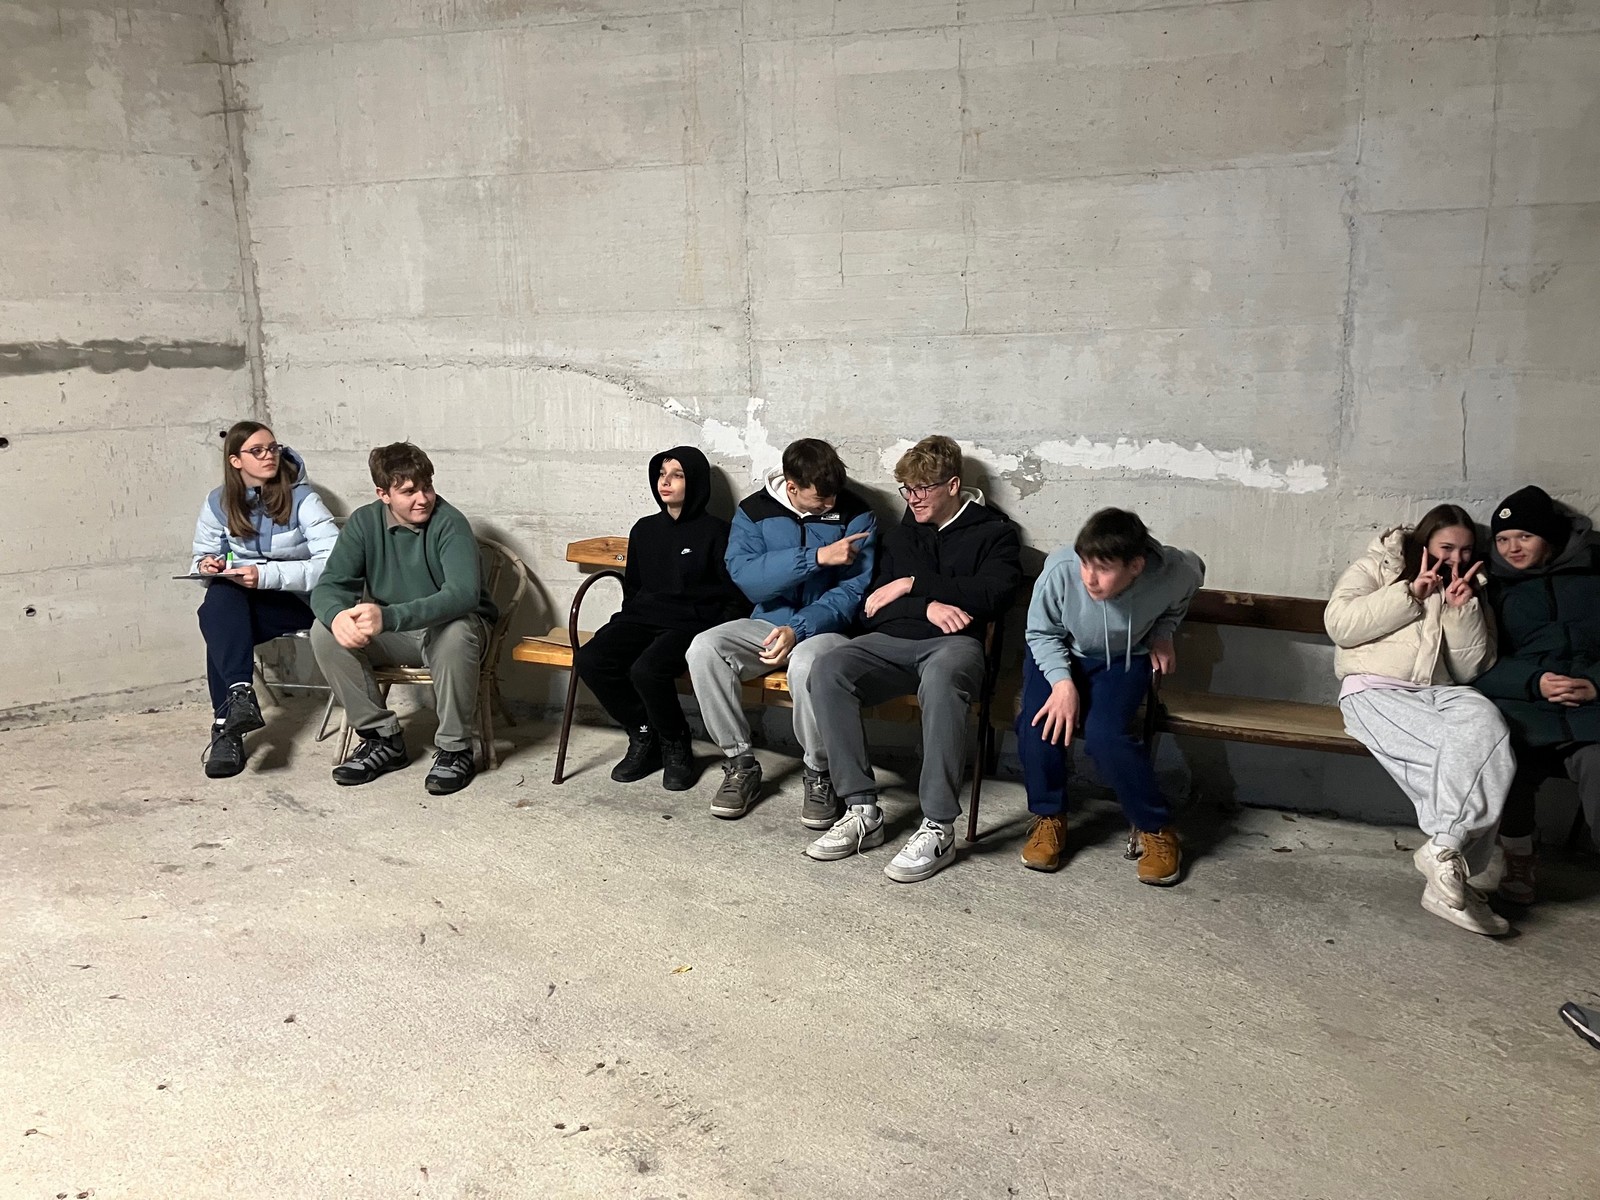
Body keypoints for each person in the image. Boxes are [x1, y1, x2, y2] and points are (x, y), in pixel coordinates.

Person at [804, 435, 1021, 882]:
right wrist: (925, 606)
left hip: (955, 646)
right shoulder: (900, 536)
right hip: (890, 641)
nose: (913, 498)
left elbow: (993, 596)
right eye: (907, 489)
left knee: (942, 679)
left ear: (953, 485)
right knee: (828, 668)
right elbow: (871, 607)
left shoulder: (995, 532)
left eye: (923, 488)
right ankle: (862, 810)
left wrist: (912, 585)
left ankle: (939, 826)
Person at [1326, 505, 1512, 936]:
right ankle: (1450, 871)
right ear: (1425, 541)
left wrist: (1462, 611)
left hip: (1440, 692)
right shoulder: (1378, 566)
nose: (1456, 558)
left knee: (1489, 731)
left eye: (1466, 550)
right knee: (1465, 761)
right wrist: (1409, 593)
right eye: (1447, 547)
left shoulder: (1471, 587)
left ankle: (1444, 859)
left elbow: (1469, 671)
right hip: (1373, 688)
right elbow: (1340, 625)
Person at [685, 438, 877, 824]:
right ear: (792, 486)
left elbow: (853, 591)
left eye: (834, 495)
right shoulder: (753, 512)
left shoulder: (857, 513)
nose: (831, 504)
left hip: (826, 629)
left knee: (808, 664)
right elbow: (749, 580)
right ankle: (740, 763)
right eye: (820, 498)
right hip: (767, 622)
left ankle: (819, 771)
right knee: (703, 649)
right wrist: (817, 557)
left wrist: (799, 628)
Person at [1014, 508, 1203, 886]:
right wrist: (1062, 684)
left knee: (1106, 737)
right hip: (1058, 652)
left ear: (1136, 566)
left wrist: (1164, 633)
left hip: (1122, 658)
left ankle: (1156, 827)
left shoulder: (1173, 571)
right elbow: (1040, 633)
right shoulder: (1061, 569)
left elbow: (1191, 580)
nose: (1089, 577)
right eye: (1085, 563)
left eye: (1103, 569)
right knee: (1037, 726)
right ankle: (1049, 816)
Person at [310, 443, 498, 796]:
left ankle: (455, 749)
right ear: (383, 494)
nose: (423, 499)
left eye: (427, 487)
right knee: (324, 631)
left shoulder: (450, 522)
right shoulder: (364, 523)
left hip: (456, 631)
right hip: (398, 634)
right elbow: (329, 587)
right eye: (409, 491)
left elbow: (463, 596)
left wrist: (389, 616)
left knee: (455, 632)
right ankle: (382, 739)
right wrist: (336, 617)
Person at [574, 447, 747, 791]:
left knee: (647, 670)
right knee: (590, 659)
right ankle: (643, 733)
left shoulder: (717, 532)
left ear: (695, 482)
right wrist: (628, 620)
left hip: (691, 623)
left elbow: (733, 594)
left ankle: (675, 741)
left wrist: (713, 626)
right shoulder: (644, 529)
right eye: (661, 474)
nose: (665, 482)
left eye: (677, 475)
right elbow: (634, 587)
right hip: (642, 617)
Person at [1474, 485, 1600, 904]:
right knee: (1501, 761)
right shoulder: (1490, 587)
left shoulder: (1594, 573)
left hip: (1591, 712)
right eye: (1503, 539)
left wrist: (1595, 684)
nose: (1512, 548)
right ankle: (1519, 857)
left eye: (1525, 536)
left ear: (1549, 535)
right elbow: (1475, 663)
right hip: (1525, 710)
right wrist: (1534, 682)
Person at [192, 421, 339, 779]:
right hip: (247, 602)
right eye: (257, 451)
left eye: (272, 448)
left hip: (302, 602)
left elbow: (334, 564)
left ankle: (226, 726)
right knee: (220, 600)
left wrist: (266, 576)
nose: (268, 456)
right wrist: (208, 565)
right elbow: (203, 554)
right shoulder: (218, 502)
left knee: (220, 629)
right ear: (235, 461)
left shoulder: (303, 500)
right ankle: (240, 697)